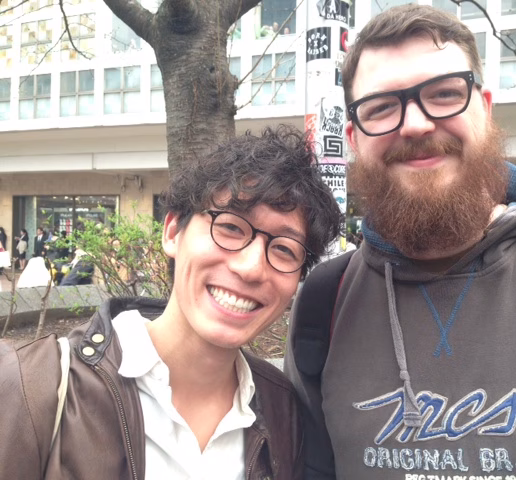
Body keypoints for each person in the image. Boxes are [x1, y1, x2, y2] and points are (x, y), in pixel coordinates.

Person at [284, 5, 516, 479]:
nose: (415, 124)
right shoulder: (321, 307)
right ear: (353, 137)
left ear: (485, 109)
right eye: (382, 107)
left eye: (444, 93)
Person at [0, 126, 342, 479]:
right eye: (231, 227)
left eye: (284, 249)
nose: (251, 267)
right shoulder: (30, 387)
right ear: (173, 231)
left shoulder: (283, 412)